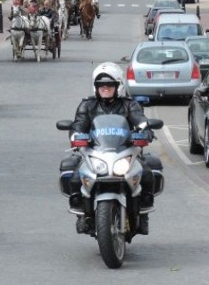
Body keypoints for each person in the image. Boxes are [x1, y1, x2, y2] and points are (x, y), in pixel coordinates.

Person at [64, 62, 157, 235]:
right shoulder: (87, 105)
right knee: (75, 177)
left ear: (118, 86)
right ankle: (82, 215)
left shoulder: (129, 105)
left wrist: (146, 129)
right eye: (101, 85)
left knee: (147, 173)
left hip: (125, 152)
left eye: (109, 85)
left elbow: (139, 119)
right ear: (95, 87)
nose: (105, 88)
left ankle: (143, 215)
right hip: (95, 153)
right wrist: (75, 136)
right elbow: (78, 124)